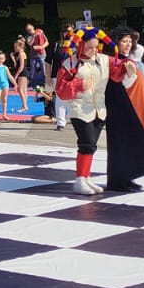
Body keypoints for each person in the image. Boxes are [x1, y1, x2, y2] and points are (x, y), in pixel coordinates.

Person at [102, 28, 144, 191]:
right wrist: (130, 75)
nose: (128, 44)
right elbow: (120, 86)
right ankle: (117, 180)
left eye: (130, 41)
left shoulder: (130, 61)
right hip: (119, 107)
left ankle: (127, 177)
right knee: (120, 143)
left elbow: (140, 82)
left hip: (131, 106)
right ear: (116, 42)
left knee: (130, 142)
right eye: (124, 41)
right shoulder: (112, 61)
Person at [60, 29, 110, 195]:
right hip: (79, 109)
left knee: (91, 145)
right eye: (89, 47)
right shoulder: (71, 64)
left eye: (96, 47)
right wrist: (78, 85)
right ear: (81, 46)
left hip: (99, 110)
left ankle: (85, 177)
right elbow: (60, 90)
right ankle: (80, 179)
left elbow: (119, 71)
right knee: (87, 143)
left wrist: (132, 70)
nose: (93, 50)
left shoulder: (103, 61)